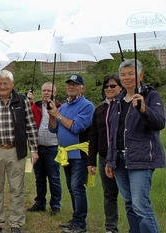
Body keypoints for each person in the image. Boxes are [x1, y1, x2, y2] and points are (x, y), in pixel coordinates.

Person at [106, 59, 165, 233]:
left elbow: (160, 122)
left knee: (140, 205)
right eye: (123, 75)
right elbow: (114, 133)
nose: (127, 78)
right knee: (130, 204)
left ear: (140, 75)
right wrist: (110, 161)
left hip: (141, 158)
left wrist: (144, 109)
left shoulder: (151, 96)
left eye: (131, 73)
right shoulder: (117, 100)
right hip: (120, 159)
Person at [0, 70, 38, 233]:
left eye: (6, 83)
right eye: (0, 83)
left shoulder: (22, 101)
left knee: (16, 188)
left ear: (13, 84)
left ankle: (16, 223)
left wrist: (34, 150)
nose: (2, 86)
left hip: (15, 150)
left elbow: (31, 126)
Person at [48, 74, 94, 233]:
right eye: (69, 85)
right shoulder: (64, 106)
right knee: (71, 187)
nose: (71, 87)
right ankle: (75, 218)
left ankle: (80, 223)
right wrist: (51, 113)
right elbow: (53, 128)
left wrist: (58, 115)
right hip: (66, 154)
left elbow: (76, 127)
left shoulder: (87, 106)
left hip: (79, 154)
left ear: (82, 87)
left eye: (75, 84)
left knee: (77, 187)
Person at [88, 74, 123, 233]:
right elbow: (93, 136)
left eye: (113, 86)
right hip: (103, 157)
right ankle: (111, 228)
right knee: (109, 194)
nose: (109, 89)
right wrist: (91, 161)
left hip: (122, 157)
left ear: (121, 88)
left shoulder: (125, 107)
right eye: (106, 86)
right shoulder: (100, 110)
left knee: (130, 197)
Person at [27, 82, 62, 216]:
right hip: (37, 147)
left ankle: (55, 205)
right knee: (39, 177)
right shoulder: (35, 106)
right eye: (44, 90)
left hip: (53, 146)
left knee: (54, 177)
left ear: (55, 93)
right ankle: (40, 202)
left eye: (49, 91)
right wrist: (28, 100)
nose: (46, 93)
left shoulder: (59, 107)